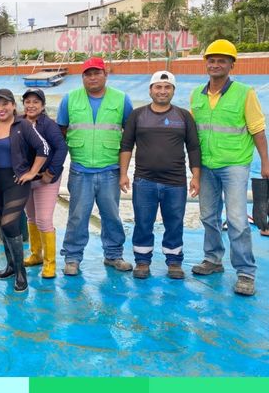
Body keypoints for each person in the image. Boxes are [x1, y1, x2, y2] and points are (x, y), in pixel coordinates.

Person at [190, 39, 269, 296]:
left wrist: (265, 162)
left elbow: (257, 130)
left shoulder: (245, 93)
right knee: (208, 216)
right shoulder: (196, 95)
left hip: (234, 164)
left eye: (222, 61)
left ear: (231, 65)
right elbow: (192, 133)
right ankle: (213, 259)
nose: (215, 65)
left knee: (236, 219)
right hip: (206, 165)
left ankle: (245, 272)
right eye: (211, 60)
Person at [119, 71, 201, 280]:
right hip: (144, 181)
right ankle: (142, 261)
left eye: (167, 87)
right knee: (143, 222)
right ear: (150, 90)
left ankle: (174, 262)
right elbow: (126, 145)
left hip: (175, 182)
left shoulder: (183, 116)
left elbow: (193, 147)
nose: (162, 91)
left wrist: (195, 176)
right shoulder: (137, 115)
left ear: (173, 91)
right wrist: (123, 174)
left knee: (175, 223)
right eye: (158, 87)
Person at [57, 57, 134, 276]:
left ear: (105, 75)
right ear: (82, 77)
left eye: (96, 73)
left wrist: (124, 171)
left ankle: (114, 255)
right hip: (80, 170)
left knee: (111, 215)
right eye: (88, 74)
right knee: (77, 216)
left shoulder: (121, 99)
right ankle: (72, 258)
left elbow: (129, 136)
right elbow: (60, 133)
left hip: (110, 170)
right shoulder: (69, 99)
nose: (92, 78)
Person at [0, 88, 49, 292]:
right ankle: (10, 266)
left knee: (10, 223)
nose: (1, 108)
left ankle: (20, 272)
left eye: (5, 104)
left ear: (13, 106)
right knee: (3, 225)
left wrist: (32, 172)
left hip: (16, 182)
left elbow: (43, 148)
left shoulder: (22, 125)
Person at [21, 88, 68, 278]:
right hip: (26, 179)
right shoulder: (18, 122)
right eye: (28, 102)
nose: (31, 105)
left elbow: (61, 148)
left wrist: (51, 172)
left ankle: (50, 263)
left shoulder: (48, 125)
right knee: (31, 217)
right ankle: (36, 254)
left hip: (45, 179)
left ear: (42, 105)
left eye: (36, 102)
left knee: (44, 219)